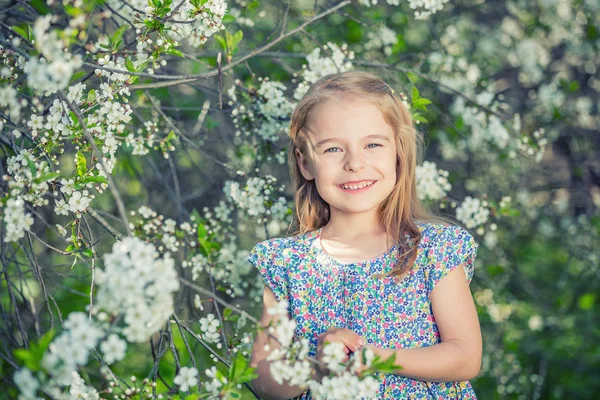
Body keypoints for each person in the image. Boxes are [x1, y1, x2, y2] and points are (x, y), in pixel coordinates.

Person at [247, 70, 482, 399]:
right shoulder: (285, 264)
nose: (355, 163)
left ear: (397, 152)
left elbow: (465, 357)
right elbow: (262, 380)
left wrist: (376, 359)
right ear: (305, 164)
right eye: (332, 150)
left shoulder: (432, 249)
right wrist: (318, 364)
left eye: (372, 144)